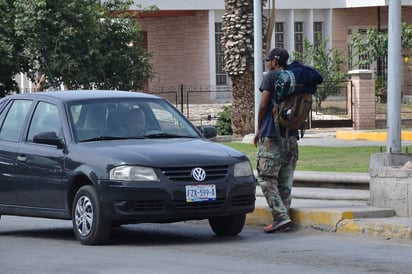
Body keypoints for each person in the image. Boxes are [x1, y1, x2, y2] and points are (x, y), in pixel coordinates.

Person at [253, 48, 298, 233]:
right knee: (285, 180)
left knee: (265, 178)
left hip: (271, 137)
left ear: (275, 61)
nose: (267, 63)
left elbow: (264, 104)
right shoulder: (294, 77)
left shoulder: (271, 77)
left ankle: (280, 216)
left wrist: (258, 128)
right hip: (292, 138)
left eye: (269, 60)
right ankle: (284, 217)